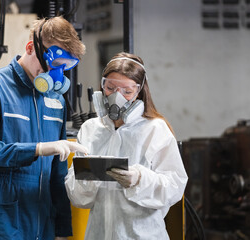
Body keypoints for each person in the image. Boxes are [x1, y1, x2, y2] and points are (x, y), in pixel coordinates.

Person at [0, 16, 88, 240]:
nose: (55, 74)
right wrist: (37, 149)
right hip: (0, 222)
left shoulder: (55, 101)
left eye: (63, 68)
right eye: (52, 64)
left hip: (42, 223)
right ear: (31, 48)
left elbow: (57, 174)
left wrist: (62, 229)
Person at [64, 52, 188, 239]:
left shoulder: (155, 129)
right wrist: (87, 178)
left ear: (139, 91)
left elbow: (174, 187)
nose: (117, 97)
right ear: (102, 86)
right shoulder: (90, 129)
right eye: (110, 88)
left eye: (127, 91)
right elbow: (78, 198)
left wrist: (139, 180)